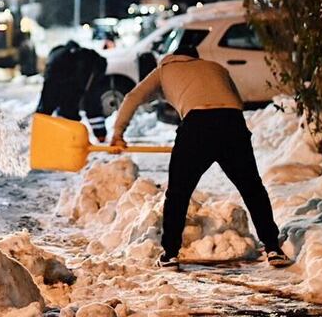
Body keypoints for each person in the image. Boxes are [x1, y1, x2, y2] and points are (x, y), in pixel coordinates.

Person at [110, 46, 291, 269]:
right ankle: (273, 248)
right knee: (252, 189)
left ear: (173, 57)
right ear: (195, 58)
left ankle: (170, 254)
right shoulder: (215, 68)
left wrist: (118, 133)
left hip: (197, 126)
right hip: (232, 123)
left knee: (178, 192)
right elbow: (236, 100)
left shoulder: (164, 70)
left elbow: (133, 96)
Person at [36, 40, 109, 142]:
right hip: (69, 75)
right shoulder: (84, 60)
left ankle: (58, 136)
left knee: (60, 107)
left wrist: (41, 118)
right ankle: (68, 137)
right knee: (70, 108)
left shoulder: (59, 60)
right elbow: (92, 104)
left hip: (70, 74)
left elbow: (47, 100)